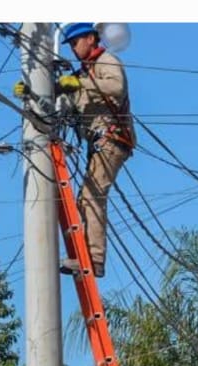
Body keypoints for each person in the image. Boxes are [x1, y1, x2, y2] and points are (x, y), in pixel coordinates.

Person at [60, 22, 135, 279]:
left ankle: (94, 259)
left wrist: (82, 83)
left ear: (91, 39)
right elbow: (69, 103)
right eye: (70, 45)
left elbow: (117, 87)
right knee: (85, 199)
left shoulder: (106, 60)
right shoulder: (83, 73)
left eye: (76, 42)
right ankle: (86, 255)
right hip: (98, 143)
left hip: (112, 140)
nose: (73, 49)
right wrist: (34, 92)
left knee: (92, 197)